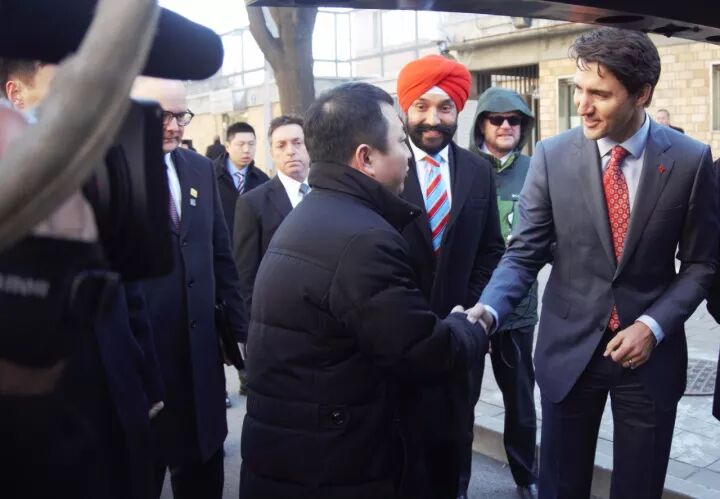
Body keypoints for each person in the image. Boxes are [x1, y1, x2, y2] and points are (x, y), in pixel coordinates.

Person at [466, 28, 719, 499]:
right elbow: (523, 254)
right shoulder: (552, 156)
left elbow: (702, 264)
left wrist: (653, 326)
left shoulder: (690, 159)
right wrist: (489, 309)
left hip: (650, 359)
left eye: (600, 94)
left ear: (642, 94)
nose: (582, 105)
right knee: (561, 486)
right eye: (579, 89)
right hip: (568, 352)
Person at [239, 82, 488, 499]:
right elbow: (422, 352)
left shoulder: (317, 213)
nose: (409, 154)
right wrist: (471, 327)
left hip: (300, 453)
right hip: (336, 463)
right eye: (400, 141)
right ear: (366, 158)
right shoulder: (364, 240)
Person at [2, 57, 165, 499]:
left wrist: (147, 387)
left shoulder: (98, 174)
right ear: (17, 96)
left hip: (119, 415)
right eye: (66, 89)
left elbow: (129, 296)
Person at [394, 55, 505, 499]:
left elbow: (491, 249)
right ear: (405, 109)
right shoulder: (387, 169)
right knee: (403, 438)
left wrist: (471, 308)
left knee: (457, 434)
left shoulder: (478, 170)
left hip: (461, 334)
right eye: (421, 107)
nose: (433, 119)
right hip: (399, 333)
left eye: (445, 108)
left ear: (458, 110)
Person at [131, 77, 245, 499]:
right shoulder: (105, 170)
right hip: (141, 366)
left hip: (199, 363)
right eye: (160, 115)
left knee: (202, 478)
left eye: (181, 115)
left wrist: (242, 333)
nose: (173, 126)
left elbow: (220, 255)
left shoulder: (198, 168)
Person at [468, 85, 539, 497]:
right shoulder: (465, 167)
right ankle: (457, 481)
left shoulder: (535, 168)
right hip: (469, 307)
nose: (506, 126)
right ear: (482, 124)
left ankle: (525, 476)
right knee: (462, 399)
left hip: (518, 308)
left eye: (515, 120)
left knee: (521, 401)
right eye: (497, 119)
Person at [233, 115, 310, 358]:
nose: (290, 151)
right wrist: (250, 333)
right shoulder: (252, 204)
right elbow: (246, 275)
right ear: (272, 153)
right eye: (281, 145)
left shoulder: (330, 192)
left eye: (297, 142)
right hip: (280, 327)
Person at [213, 122, 270, 236]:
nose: (246, 149)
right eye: (241, 144)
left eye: (251, 144)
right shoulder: (210, 175)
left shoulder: (263, 180)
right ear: (227, 146)